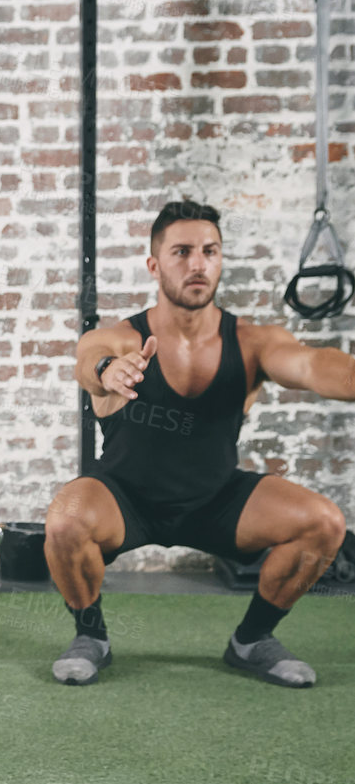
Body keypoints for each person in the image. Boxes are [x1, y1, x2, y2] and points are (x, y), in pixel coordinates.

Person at [45, 199, 352, 689]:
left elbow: (315, 367)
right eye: (182, 252)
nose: (197, 264)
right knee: (64, 520)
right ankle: (91, 637)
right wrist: (108, 371)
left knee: (325, 523)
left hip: (217, 498)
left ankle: (251, 641)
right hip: (127, 498)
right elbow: (89, 357)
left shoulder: (254, 341)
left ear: (221, 259)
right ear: (155, 264)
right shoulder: (125, 338)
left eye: (209, 251)